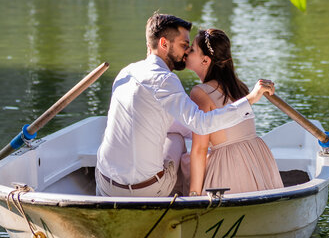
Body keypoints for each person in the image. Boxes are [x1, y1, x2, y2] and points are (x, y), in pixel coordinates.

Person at [95, 13, 261, 198]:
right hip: (147, 190)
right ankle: (183, 196)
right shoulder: (165, 79)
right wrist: (250, 100)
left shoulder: (126, 72)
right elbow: (200, 124)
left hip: (105, 185)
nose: (186, 52)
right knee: (176, 138)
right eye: (184, 46)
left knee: (171, 129)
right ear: (164, 44)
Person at [182, 28, 283, 196]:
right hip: (256, 158)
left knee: (182, 162)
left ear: (205, 61)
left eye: (192, 49)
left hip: (230, 165)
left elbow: (199, 149)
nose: (186, 52)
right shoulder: (238, 86)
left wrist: (194, 195)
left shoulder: (200, 93)